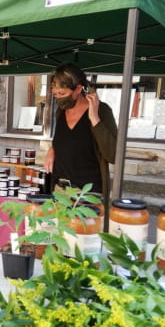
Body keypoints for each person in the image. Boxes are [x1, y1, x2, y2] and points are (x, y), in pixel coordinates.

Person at [43, 63, 117, 230]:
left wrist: (94, 118)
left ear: (77, 89)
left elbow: (113, 154)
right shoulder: (60, 112)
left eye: (62, 93)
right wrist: (53, 148)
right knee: (59, 240)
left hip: (88, 193)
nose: (58, 98)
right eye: (55, 94)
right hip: (61, 191)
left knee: (83, 244)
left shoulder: (102, 111)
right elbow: (66, 139)